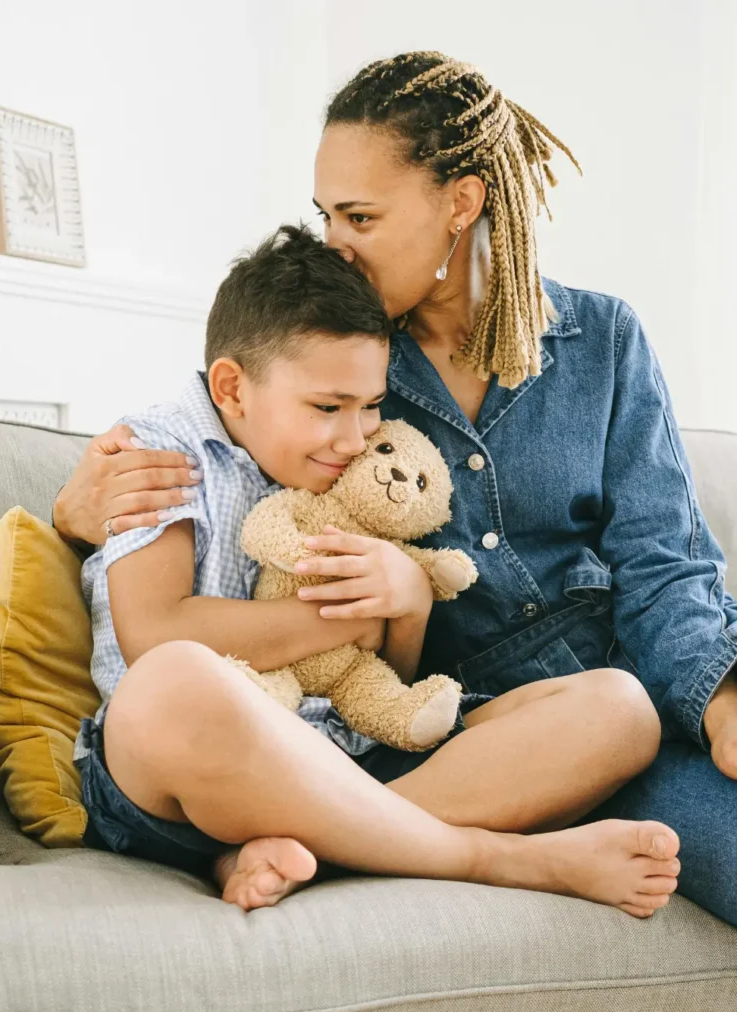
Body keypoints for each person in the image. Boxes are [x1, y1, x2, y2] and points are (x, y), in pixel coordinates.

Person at [53, 52, 737, 917]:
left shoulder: (599, 339)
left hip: (594, 703)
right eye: (326, 215)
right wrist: (74, 519)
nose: (334, 241)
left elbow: (664, 562)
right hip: (443, 729)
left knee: (639, 724)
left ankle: (322, 844)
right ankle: (445, 847)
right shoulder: (340, 364)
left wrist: (719, 703)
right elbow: (219, 451)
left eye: (360, 216)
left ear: (461, 201)